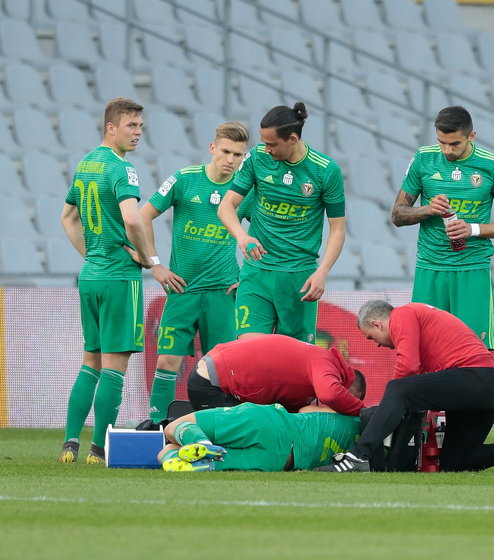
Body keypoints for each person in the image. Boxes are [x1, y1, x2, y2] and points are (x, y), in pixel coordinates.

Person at [315, 300, 494, 473]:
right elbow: (420, 381)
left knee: (397, 389)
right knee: (453, 463)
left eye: (371, 337)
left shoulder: (402, 315)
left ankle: (357, 456)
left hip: (476, 378)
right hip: (491, 388)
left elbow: (407, 370)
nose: (375, 344)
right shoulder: (420, 324)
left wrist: (389, 406)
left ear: (377, 323)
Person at [57, 97, 153, 464]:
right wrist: (146, 257)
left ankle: (70, 444)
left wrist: (91, 255)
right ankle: (99, 450)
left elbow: (67, 217)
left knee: (90, 362)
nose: (138, 132)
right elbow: (132, 219)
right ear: (110, 128)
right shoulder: (122, 169)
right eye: (131, 126)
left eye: (140, 126)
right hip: (119, 279)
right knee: (114, 366)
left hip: (91, 276)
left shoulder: (85, 165)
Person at [140, 121, 252, 424]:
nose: (231, 160)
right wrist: (155, 264)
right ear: (212, 148)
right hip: (182, 290)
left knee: (223, 368)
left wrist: (248, 277)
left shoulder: (244, 190)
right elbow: (143, 216)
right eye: (226, 151)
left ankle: (221, 428)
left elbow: (265, 231)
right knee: (166, 360)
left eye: (238, 155)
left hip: (223, 292)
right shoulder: (184, 180)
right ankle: (157, 426)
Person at [391, 106, 494, 350]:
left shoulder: (492, 165)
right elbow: (397, 214)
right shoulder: (423, 158)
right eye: (442, 143)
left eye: (455, 144)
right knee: (424, 351)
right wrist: (427, 209)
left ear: (472, 136)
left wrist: (472, 229)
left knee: (473, 352)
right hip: (430, 268)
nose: (447, 150)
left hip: (472, 269)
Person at [217, 102, 346, 343]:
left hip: (299, 277)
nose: (266, 149)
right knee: (249, 351)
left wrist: (322, 272)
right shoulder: (256, 159)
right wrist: (242, 237)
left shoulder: (326, 171)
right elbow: (226, 206)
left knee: (293, 364)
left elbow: (338, 229)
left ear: (293, 139)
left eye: (272, 144)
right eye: (264, 143)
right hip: (257, 272)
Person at [186, 334, 366, 416]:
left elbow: (294, 414)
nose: (341, 409)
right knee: (250, 435)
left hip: (215, 376)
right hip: (212, 382)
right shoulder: (324, 362)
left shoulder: (312, 376)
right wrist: (362, 412)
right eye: (347, 401)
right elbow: (332, 395)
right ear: (346, 387)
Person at [157, 403, 360, 472]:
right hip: (280, 460)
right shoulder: (367, 449)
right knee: (168, 452)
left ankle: (202, 443)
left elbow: (306, 408)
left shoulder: (351, 414)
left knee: (171, 430)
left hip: (272, 422)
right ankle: (191, 462)